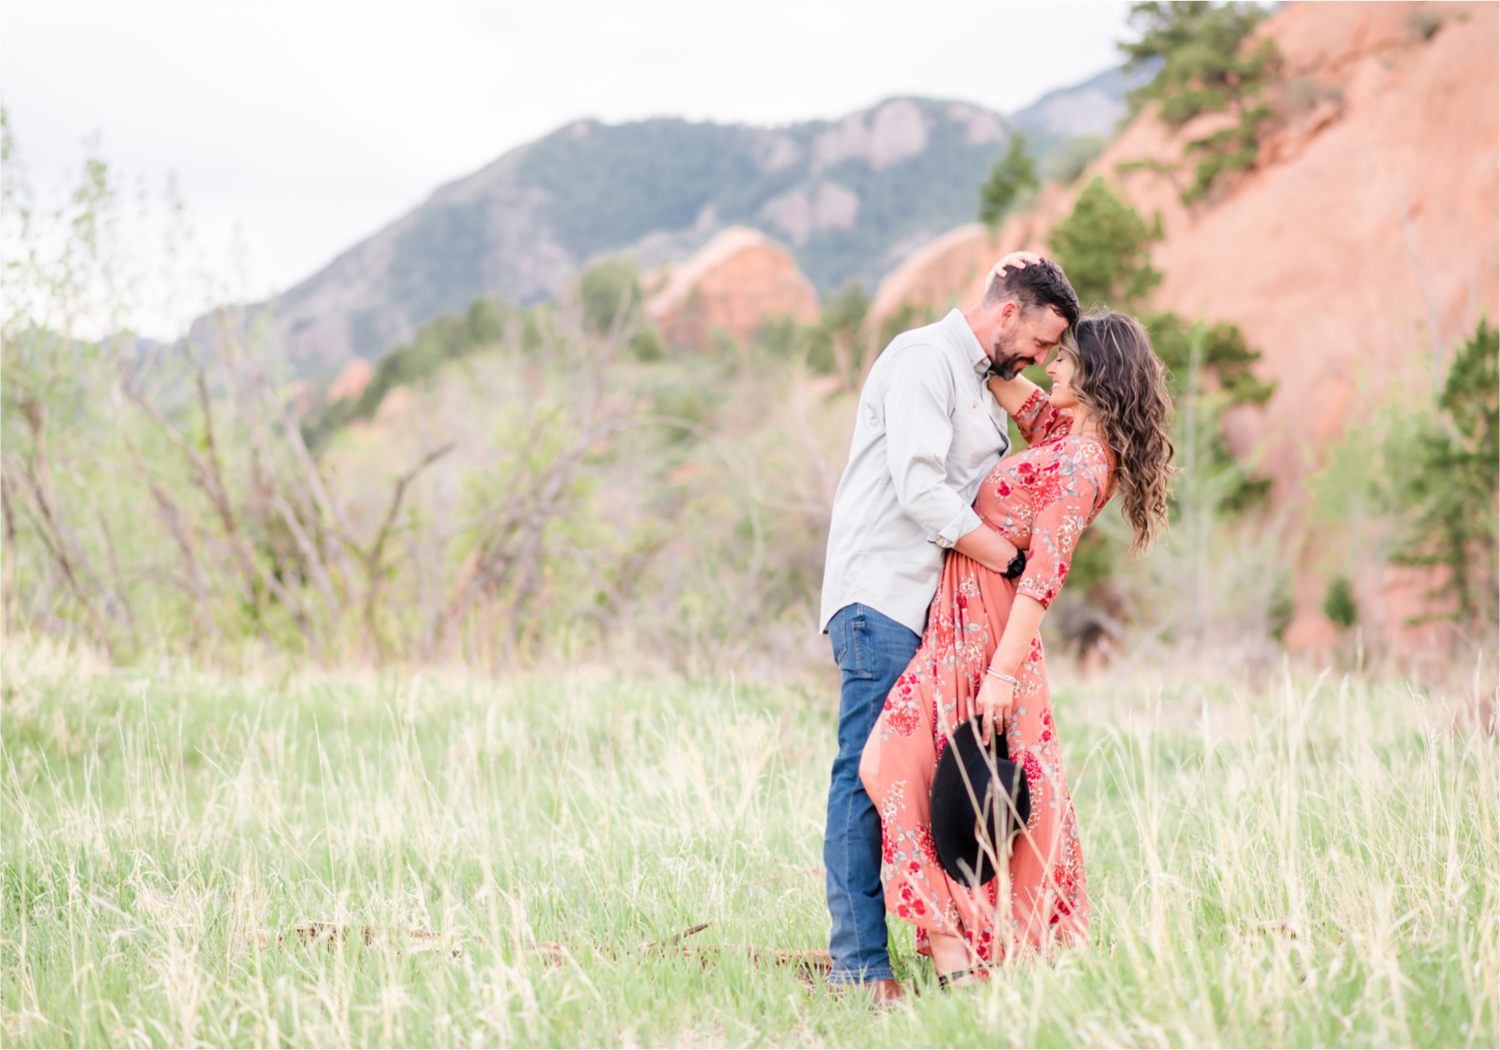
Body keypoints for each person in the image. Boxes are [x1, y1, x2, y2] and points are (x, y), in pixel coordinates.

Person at [859, 309, 1177, 986]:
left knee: (908, 765)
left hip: (990, 635)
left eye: (1063, 358)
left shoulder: (1087, 460)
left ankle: (961, 946)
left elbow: (1045, 572)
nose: (1051, 366)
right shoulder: (1068, 435)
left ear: (1095, 375)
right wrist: (985, 342)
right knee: (922, 770)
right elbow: (1012, 383)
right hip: (961, 622)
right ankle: (956, 950)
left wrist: (1001, 674)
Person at [818, 253, 1081, 1001]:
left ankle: (932, 952)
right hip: (882, 599)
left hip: (921, 608)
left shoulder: (978, 377)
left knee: (907, 778)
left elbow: (1074, 428)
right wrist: (1010, 558)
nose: (1041, 359)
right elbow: (920, 491)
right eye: (1041, 341)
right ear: (1007, 316)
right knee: (867, 779)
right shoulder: (923, 360)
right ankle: (858, 969)